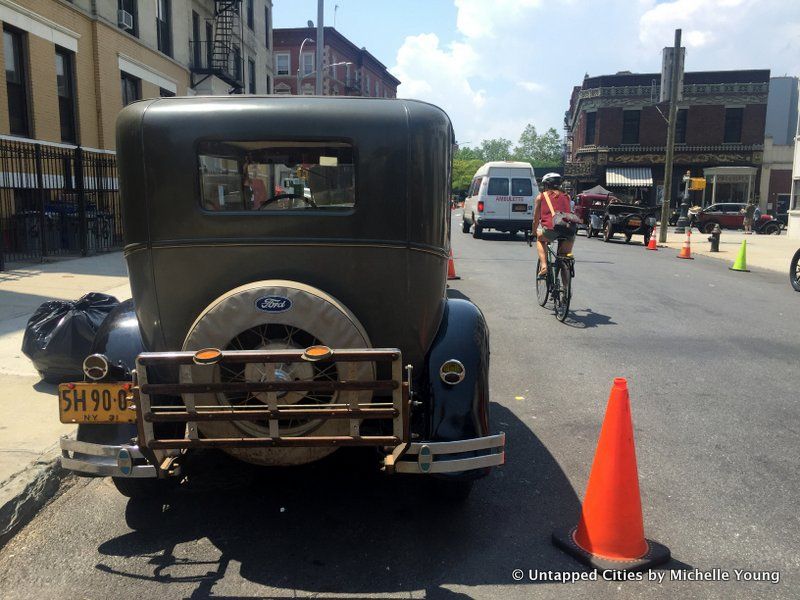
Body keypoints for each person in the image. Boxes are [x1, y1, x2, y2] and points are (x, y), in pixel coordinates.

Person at [532, 172, 575, 277]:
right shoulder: (567, 197)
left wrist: (534, 232)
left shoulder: (541, 197)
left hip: (551, 229)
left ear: (546, 185)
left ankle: (544, 266)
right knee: (564, 257)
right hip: (569, 231)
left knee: (540, 239)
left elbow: (536, 220)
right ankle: (566, 285)